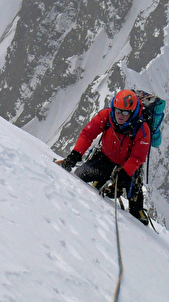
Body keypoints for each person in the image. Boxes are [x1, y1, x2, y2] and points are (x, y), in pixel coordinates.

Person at [57, 89, 152, 224]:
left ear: (133, 112)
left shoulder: (142, 129)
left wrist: (121, 179)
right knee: (79, 176)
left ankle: (138, 213)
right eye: (118, 110)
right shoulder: (106, 115)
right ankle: (101, 180)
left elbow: (137, 158)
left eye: (125, 112)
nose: (120, 115)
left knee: (136, 213)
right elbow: (88, 134)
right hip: (105, 157)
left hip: (127, 167)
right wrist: (75, 154)